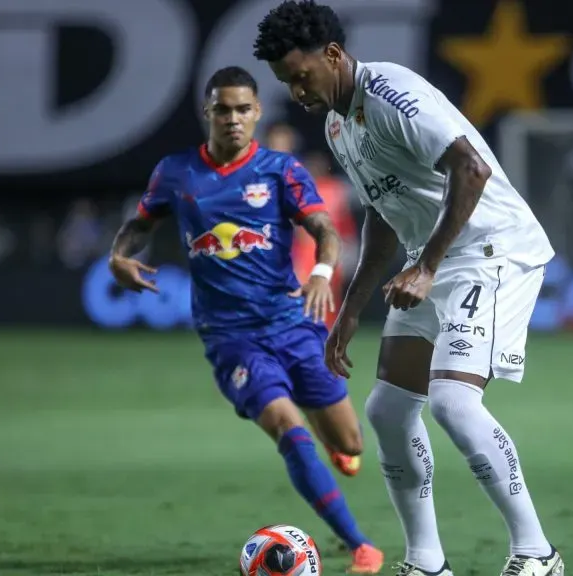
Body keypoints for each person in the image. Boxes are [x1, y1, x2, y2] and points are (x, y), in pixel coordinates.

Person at [254, 4, 563, 576]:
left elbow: (472, 169)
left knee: (452, 403)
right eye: (285, 83)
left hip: (492, 251)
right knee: (389, 410)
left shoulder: (393, 93)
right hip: (434, 258)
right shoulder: (338, 124)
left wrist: (425, 269)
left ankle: (537, 553)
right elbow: (382, 215)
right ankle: (426, 563)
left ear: (332, 55)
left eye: (301, 76)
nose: (297, 92)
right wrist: (349, 311)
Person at [107, 65, 384, 575]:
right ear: (207, 113)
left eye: (242, 109)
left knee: (350, 444)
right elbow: (138, 224)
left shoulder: (280, 170)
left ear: (256, 112)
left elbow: (324, 228)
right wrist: (118, 255)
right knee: (289, 428)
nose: (232, 119)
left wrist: (322, 273)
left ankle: (339, 450)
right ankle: (360, 545)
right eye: (222, 109)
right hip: (229, 336)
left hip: (294, 320)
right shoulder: (177, 172)